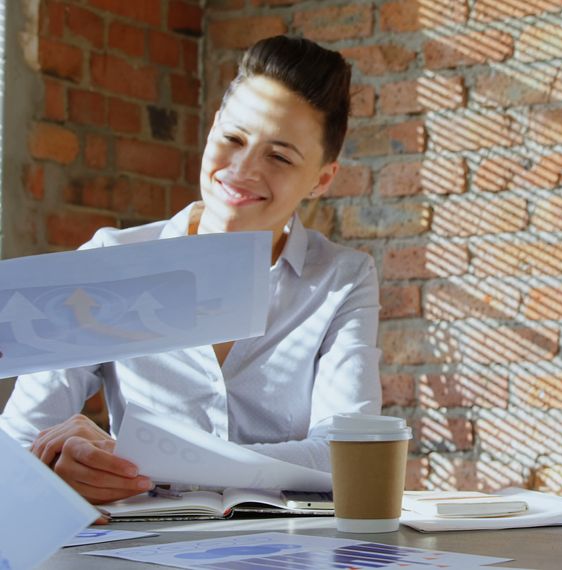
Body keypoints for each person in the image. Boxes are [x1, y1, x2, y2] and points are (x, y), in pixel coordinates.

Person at [0, 36, 381, 505]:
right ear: (213, 129)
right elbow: (17, 444)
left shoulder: (342, 279)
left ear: (322, 179)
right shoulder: (111, 260)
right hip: (134, 549)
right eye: (233, 139)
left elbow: (350, 451)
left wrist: (154, 462)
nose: (242, 169)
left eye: (279, 156)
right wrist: (61, 465)